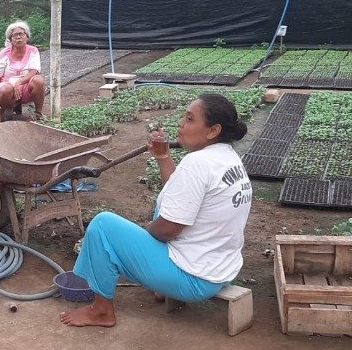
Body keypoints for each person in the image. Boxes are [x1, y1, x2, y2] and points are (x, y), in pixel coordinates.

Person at [60, 94, 252, 328]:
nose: (181, 123)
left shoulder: (198, 163)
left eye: (190, 119)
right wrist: (163, 156)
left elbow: (168, 230)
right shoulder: (228, 157)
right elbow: (178, 192)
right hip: (221, 271)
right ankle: (161, 288)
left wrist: (141, 241)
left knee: (103, 225)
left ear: (213, 130)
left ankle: (101, 311)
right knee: (165, 205)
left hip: (193, 280)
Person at [0, 21, 45, 123]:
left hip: (25, 87)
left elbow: (34, 71)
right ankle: (0, 115)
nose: (18, 38)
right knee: (6, 89)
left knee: (38, 80)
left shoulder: (33, 51)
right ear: (10, 39)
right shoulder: (4, 54)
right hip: (7, 88)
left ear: (27, 37)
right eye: (15, 35)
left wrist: (20, 82)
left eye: (21, 34)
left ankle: (38, 114)